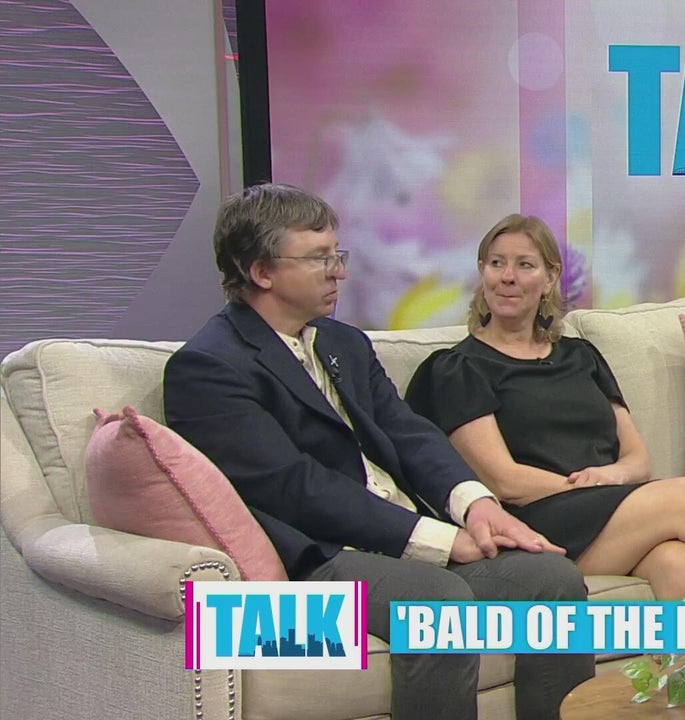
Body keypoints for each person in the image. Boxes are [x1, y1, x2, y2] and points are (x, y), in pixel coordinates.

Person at [164, 184, 594, 720]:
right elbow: (294, 487)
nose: (338, 272)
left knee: (553, 578)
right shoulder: (210, 367)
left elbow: (409, 432)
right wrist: (437, 540)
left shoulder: (343, 342)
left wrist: (477, 505)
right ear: (262, 271)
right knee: (437, 605)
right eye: (319, 258)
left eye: (337, 254)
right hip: (320, 560)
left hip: (404, 538)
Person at [404, 214, 685, 600]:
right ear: (482, 271)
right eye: (496, 263)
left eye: (525, 265)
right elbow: (504, 481)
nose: (508, 277)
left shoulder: (580, 356)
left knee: (677, 562)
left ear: (550, 277)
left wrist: (610, 476)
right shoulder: (458, 369)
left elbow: (638, 459)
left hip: (605, 512)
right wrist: (584, 486)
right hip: (533, 519)